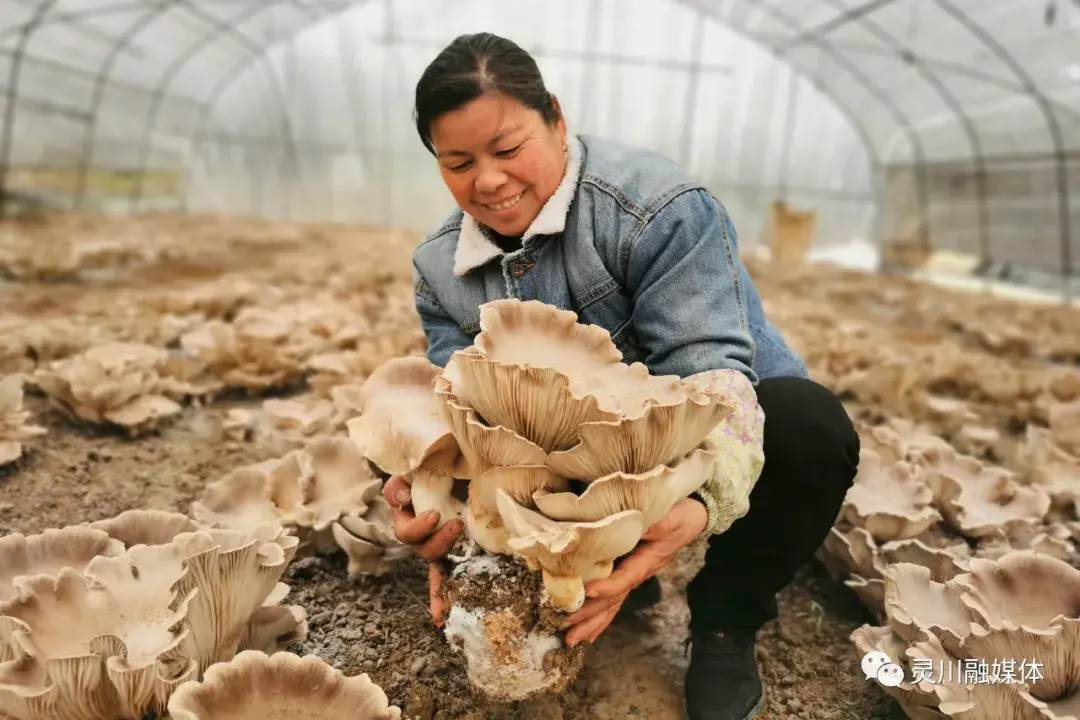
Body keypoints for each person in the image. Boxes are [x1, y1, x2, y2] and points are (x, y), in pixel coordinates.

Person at [381, 32, 860, 720]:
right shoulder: (439, 267)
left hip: (716, 423)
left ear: (556, 118)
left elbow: (715, 379)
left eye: (508, 149)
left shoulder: (657, 209)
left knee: (813, 431)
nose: (487, 180)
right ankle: (597, 573)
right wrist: (435, 507)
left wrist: (698, 507)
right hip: (575, 462)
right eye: (458, 162)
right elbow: (458, 417)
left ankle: (726, 620)